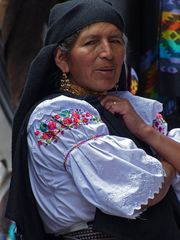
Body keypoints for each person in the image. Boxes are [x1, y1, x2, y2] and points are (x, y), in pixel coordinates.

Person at [5, 0, 180, 240]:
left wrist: (145, 131)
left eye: (116, 41)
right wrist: (169, 158)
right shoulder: (58, 116)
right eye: (91, 43)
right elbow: (142, 189)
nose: (108, 53)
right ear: (62, 59)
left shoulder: (131, 108)